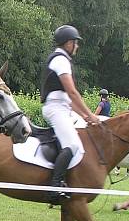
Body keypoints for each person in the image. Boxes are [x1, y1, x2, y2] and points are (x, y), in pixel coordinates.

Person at [40, 25, 100, 204]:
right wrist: (91, 114)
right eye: (75, 42)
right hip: (55, 108)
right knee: (73, 144)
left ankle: (72, 180)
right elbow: (72, 92)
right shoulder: (60, 60)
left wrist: (88, 117)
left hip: (64, 107)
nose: (77, 46)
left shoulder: (63, 59)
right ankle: (55, 187)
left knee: (83, 139)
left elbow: (71, 100)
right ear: (68, 43)